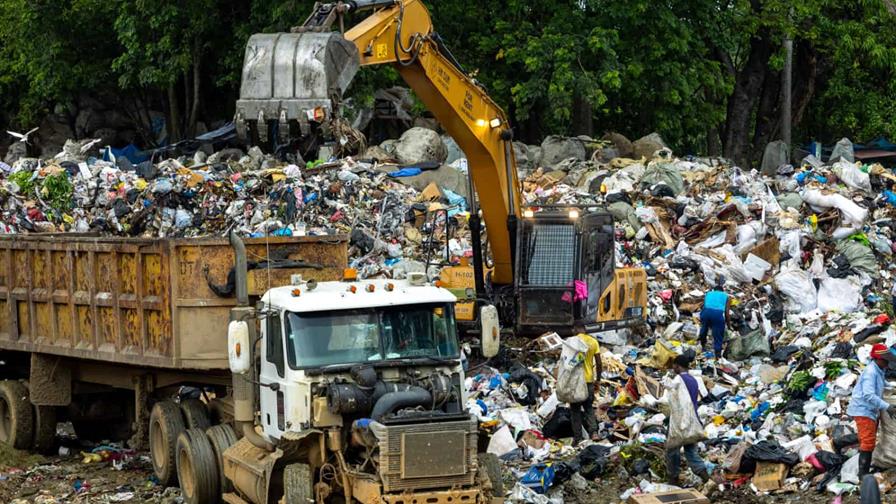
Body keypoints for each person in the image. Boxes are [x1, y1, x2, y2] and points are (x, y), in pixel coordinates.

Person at [847, 343, 896, 479]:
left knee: (868, 437)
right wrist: (887, 406)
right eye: (885, 360)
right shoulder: (870, 372)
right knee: (868, 441)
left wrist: (892, 385)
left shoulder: (879, 370)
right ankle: (863, 474)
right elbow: (868, 395)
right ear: (877, 359)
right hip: (863, 410)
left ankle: (841, 444)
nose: (887, 363)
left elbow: (883, 383)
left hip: (870, 410)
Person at [665, 354, 710, 484]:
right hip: (693, 420)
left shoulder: (679, 379)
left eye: (674, 365)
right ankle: (706, 478)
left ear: (678, 366)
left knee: (672, 450)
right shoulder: (693, 380)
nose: (673, 367)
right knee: (691, 451)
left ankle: (673, 479)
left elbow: (674, 399)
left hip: (680, 421)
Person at [569, 325, 602, 444]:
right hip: (588, 381)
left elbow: (567, 363)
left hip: (576, 381)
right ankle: (594, 433)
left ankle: (578, 438)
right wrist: (598, 380)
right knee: (588, 408)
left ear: (576, 329)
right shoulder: (593, 342)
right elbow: (598, 362)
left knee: (575, 410)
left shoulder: (572, 342)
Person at [698, 276, 730, 357]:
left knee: (704, 329)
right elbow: (726, 312)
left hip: (706, 312)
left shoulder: (708, 293)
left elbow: (703, 305)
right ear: (722, 291)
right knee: (718, 334)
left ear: (714, 290)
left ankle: (702, 346)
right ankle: (718, 354)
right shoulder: (726, 296)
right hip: (717, 314)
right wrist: (728, 324)